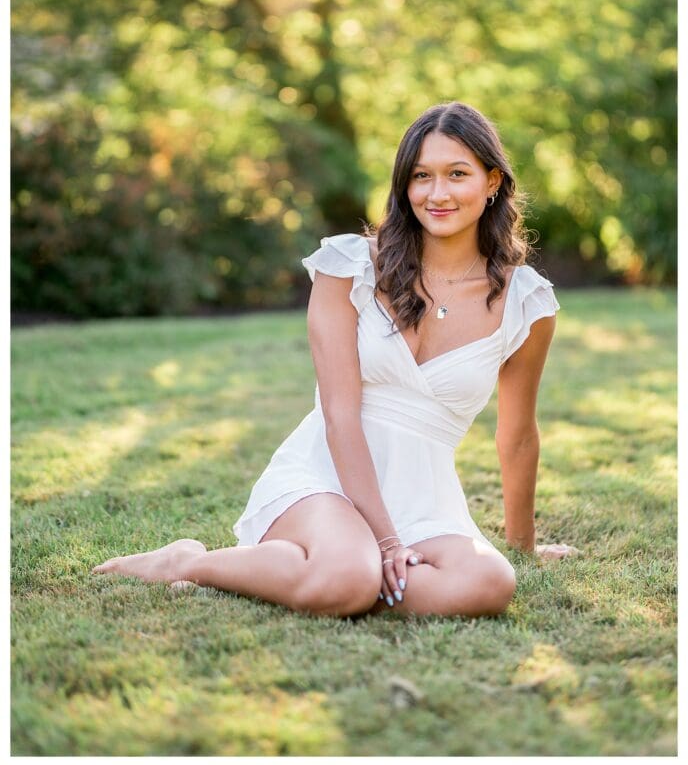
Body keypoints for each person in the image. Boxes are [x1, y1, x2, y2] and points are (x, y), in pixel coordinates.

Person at [92, 101, 579, 617]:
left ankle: (302, 569)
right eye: (421, 176)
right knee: (349, 576)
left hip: (425, 499)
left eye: (457, 174)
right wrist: (388, 542)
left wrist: (522, 546)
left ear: (492, 182)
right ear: (404, 186)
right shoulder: (348, 267)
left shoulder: (526, 302)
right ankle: (190, 561)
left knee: (489, 582)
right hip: (324, 477)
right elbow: (340, 414)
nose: (437, 194)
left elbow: (518, 434)